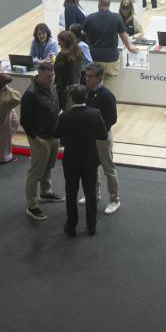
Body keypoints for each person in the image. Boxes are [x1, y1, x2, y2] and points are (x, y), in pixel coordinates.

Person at [54, 84, 108, 238]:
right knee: (90, 192)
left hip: (71, 160)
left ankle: (71, 225)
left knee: (71, 193)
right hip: (90, 159)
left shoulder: (65, 116)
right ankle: (91, 226)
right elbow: (103, 135)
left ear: (72, 98)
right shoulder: (95, 113)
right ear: (86, 97)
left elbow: (56, 134)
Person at [21, 61, 62, 221]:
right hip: (39, 138)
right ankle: (32, 205)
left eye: (52, 75)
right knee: (36, 172)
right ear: (39, 75)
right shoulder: (30, 94)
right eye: (48, 76)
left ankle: (46, 192)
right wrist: (36, 139)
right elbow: (25, 121)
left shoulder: (51, 87)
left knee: (48, 166)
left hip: (53, 135)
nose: (51, 78)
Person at [83, 64, 121, 215]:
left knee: (108, 169)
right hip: (89, 137)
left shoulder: (107, 95)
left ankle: (114, 200)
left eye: (90, 76)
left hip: (103, 137)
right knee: (91, 167)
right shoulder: (86, 92)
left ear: (99, 77)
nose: (87, 79)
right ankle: (94, 194)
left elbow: (112, 118)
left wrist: (98, 129)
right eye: (86, 76)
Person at [82, 0, 138, 80]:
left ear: (99, 4)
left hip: (95, 56)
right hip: (111, 58)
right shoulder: (117, 17)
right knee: (112, 83)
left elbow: (83, 34)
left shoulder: (90, 17)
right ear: (109, 5)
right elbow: (123, 35)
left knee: (95, 82)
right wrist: (129, 47)